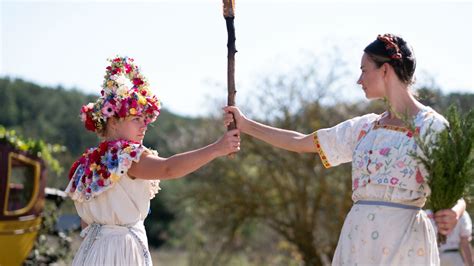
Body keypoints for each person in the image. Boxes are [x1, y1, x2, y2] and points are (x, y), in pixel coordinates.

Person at [224, 33, 465, 265]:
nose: (359, 80)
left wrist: (454, 211)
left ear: (385, 69)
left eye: (363, 70)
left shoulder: (432, 126)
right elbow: (299, 142)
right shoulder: (365, 128)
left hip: (405, 241)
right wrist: (246, 125)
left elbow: (455, 189)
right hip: (358, 240)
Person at [65, 56, 240, 266]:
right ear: (112, 122)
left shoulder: (88, 163)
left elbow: (86, 223)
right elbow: (168, 168)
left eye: (145, 120)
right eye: (136, 119)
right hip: (122, 252)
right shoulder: (125, 156)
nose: (144, 126)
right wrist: (217, 148)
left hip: (90, 252)